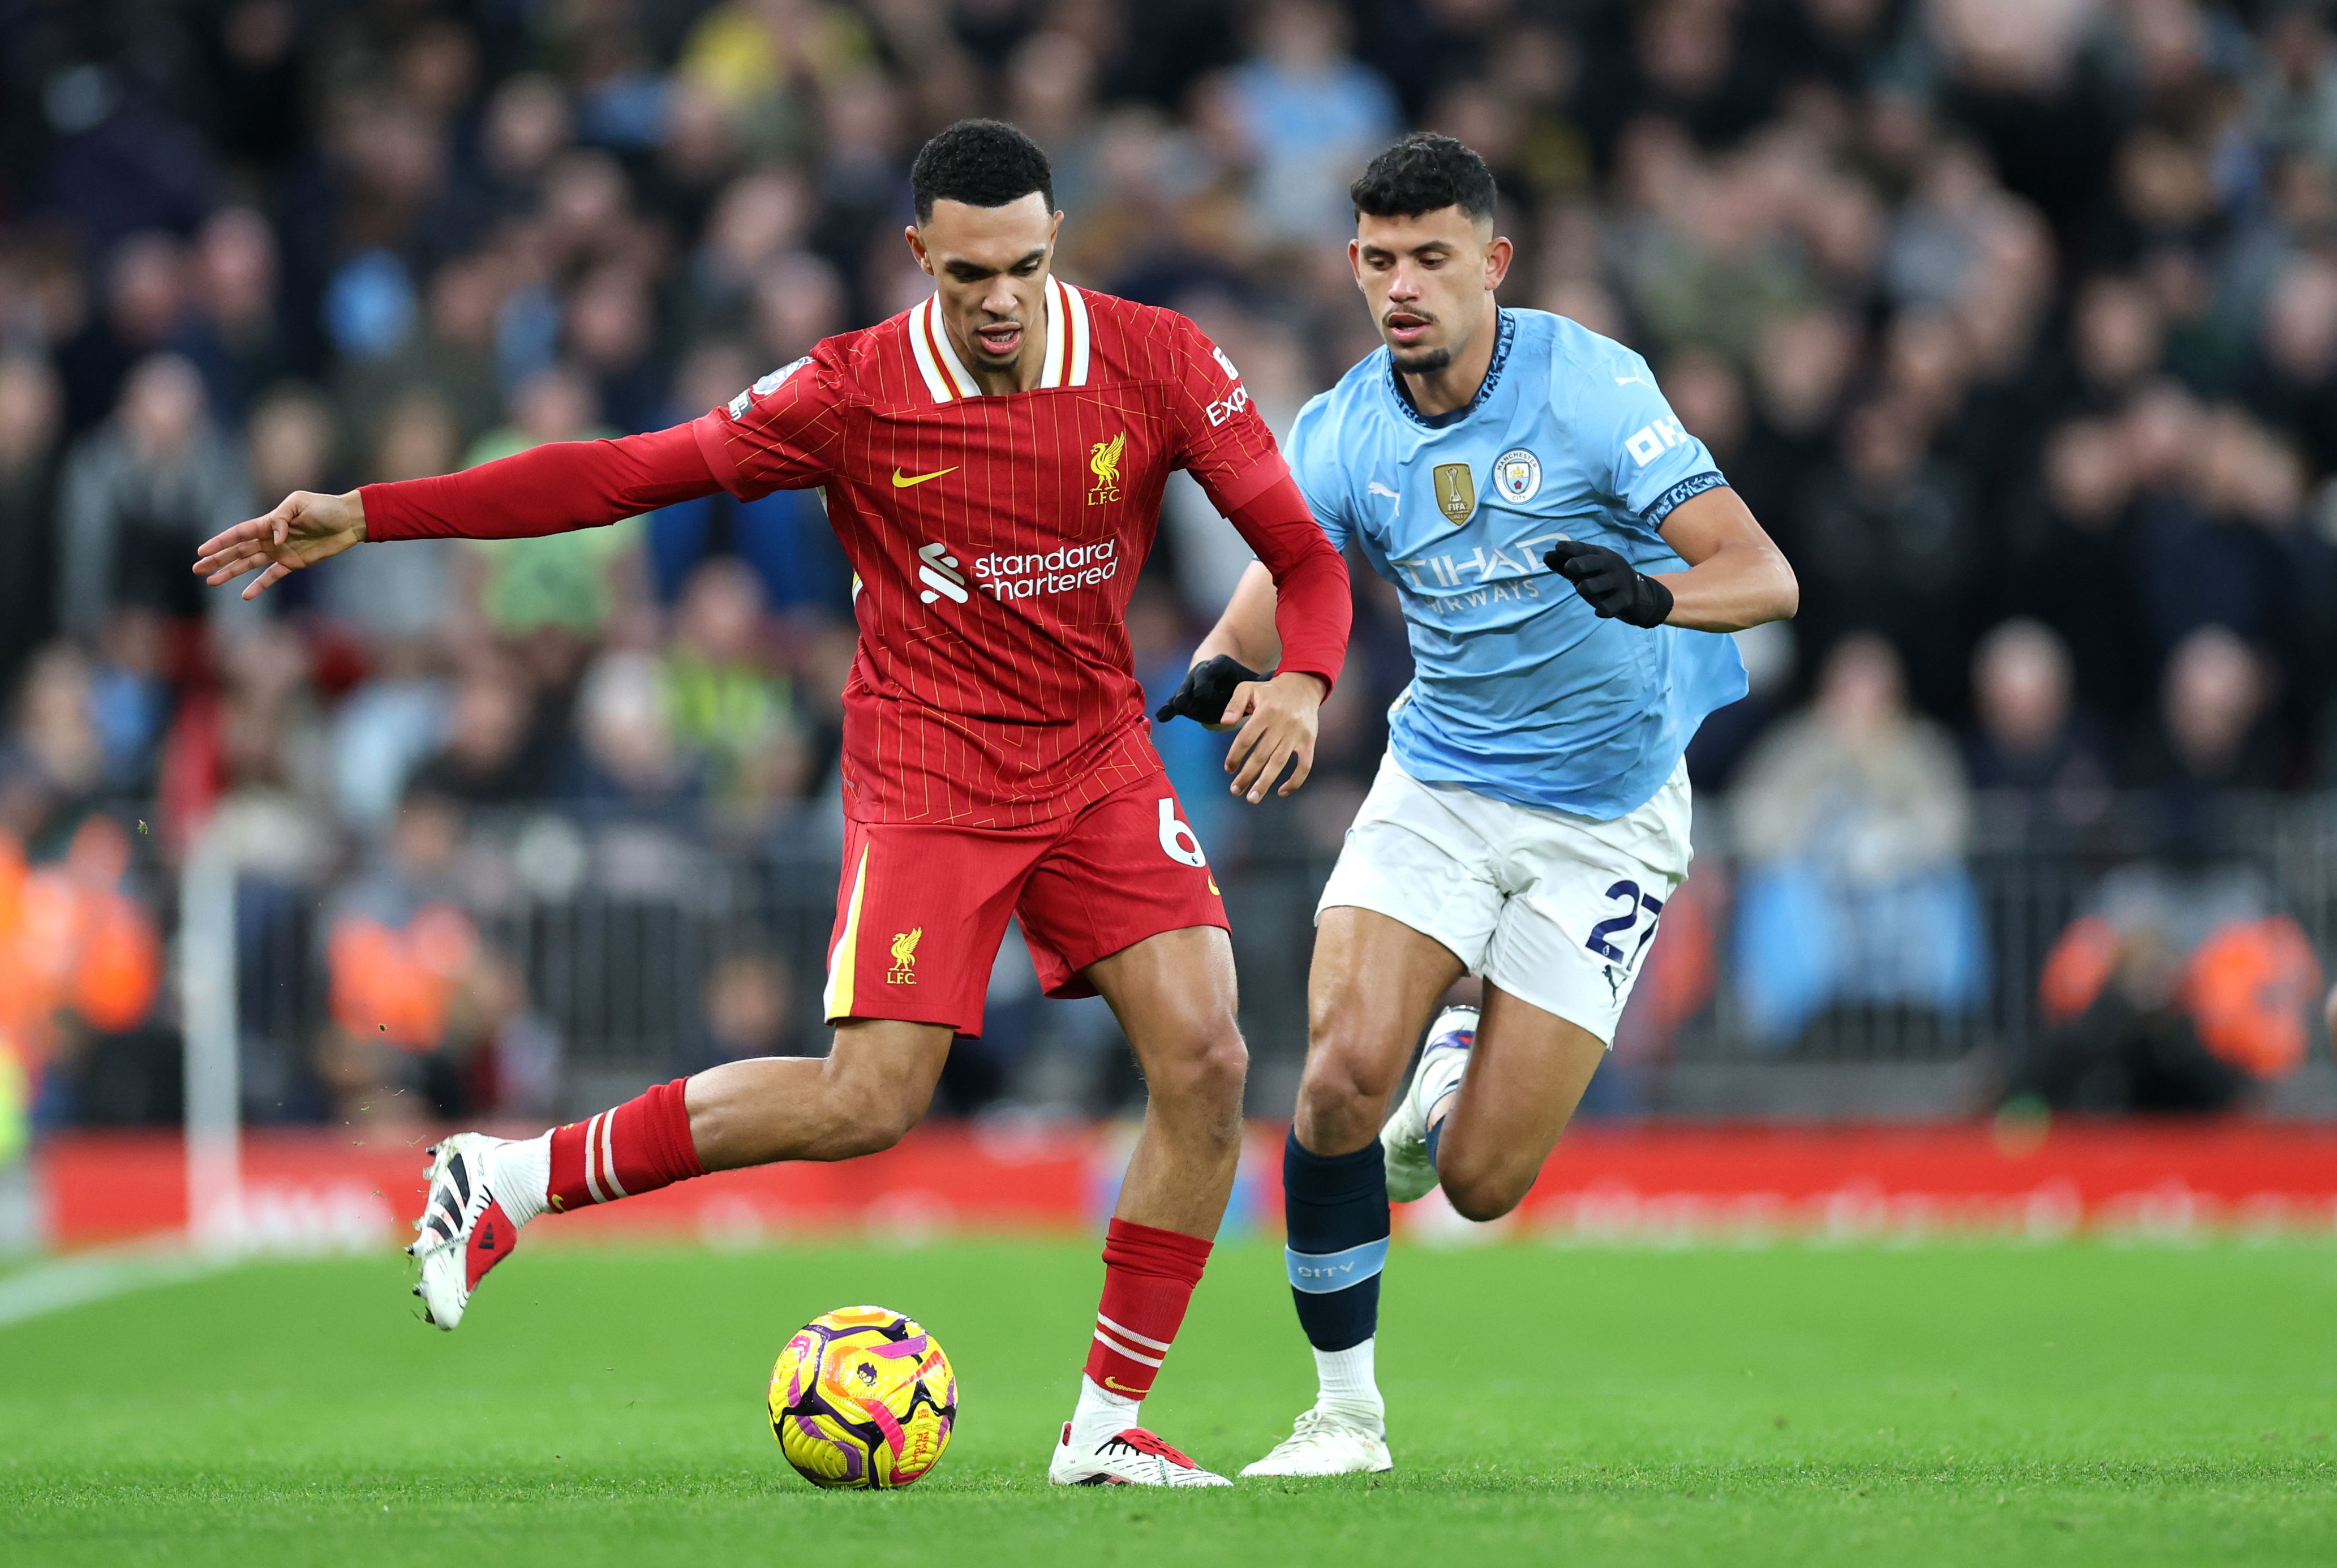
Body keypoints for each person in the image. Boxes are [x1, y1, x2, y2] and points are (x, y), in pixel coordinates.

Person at [195, 119, 1352, 1488]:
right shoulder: (851, 390)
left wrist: (1309, 684)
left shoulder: (1157, 356)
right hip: (930, 769)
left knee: (1211, 1060)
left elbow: (1302, 555)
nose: (998, 300)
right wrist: (374, 513)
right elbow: (624, 473)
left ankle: (1106, 1427)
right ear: (920, 253)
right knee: (869, 1104)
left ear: (1058, 250)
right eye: (969, 272)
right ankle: (506, 1179)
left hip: (1095, 756)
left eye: (1026, 268)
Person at [1163, 134, 1795, 1475]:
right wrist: (1229, 669)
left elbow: (1765, 573)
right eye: (1381, 259)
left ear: (1492, 265)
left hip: (1611, 811)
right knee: (1333, 1078)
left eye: (1433, 257)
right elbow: (1286, 574)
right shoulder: (1341, 428)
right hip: (1441, 781)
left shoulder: (1590, 388)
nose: (1405, 285)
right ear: (1353, 266)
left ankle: (1452, 1074)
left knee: (1482, 1184)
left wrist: (1653, 594)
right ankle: (1345, 1417)